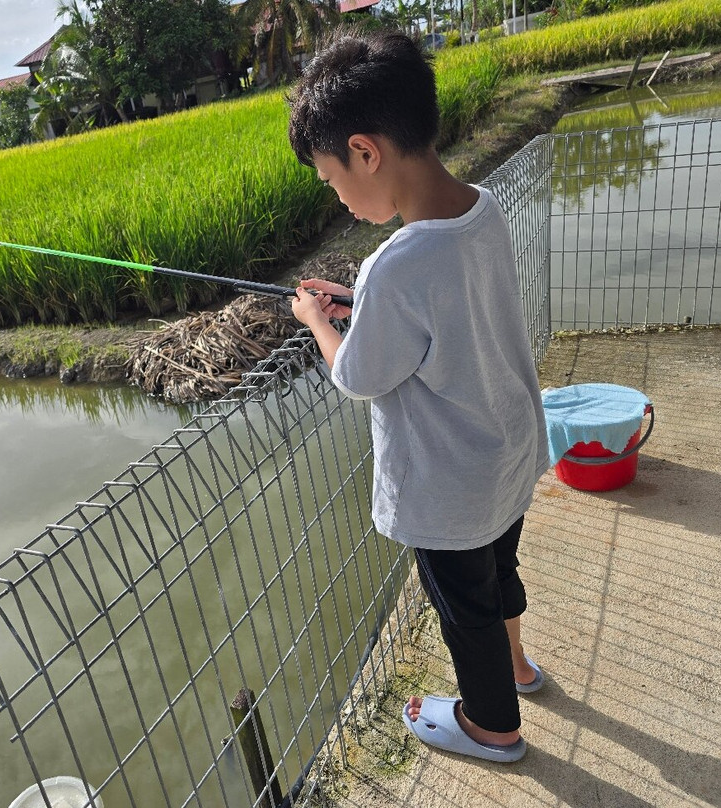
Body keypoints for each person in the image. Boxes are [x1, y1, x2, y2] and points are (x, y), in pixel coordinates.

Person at [287, 30, 549, 764]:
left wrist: (318, 320)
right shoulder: (482, 207)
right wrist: (365, 299)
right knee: (500, 578)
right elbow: (443, 309)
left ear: (366, 152)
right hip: (508, 456)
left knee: (464, 613)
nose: (337, 193)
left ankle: (493, 727)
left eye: (331, 176)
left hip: (451, 492)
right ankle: (520, 668)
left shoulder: (394, 267)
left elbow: (359, 376)